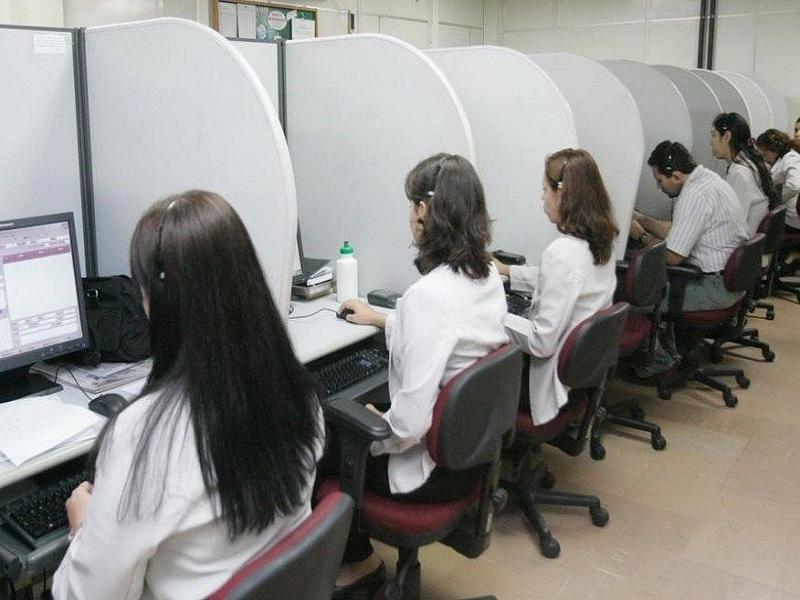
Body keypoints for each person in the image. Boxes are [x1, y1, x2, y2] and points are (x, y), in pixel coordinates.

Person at [53, 191, 323, 599]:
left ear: (159, 302)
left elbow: (87, 595)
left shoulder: (144, 436)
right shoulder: (296, 391)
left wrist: (83, 527)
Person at [333, 154, 508, 596]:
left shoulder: (428, 297)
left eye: (412, 204)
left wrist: (377, 431)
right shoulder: (485, 274)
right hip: (470, 458)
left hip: (427, 473)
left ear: (424, 211)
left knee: (325, 440)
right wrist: (382, 318)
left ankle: (359, 561)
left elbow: (409, 426)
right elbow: (453, 337)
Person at [495, 149, 618, 425]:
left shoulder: (562, 253)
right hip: (579, 375)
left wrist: (494, 315)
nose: (542, 197)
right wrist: (507, 271)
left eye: (544, 189)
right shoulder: (601, 240)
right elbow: (564, 280)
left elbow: (540, 343)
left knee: (467, 366)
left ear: (561, 193)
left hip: (543, 385)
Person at [629, 141, 748, 312]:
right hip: (729, 282)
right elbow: (679, 231)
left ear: (676, 176)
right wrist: (641, 219)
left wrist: (641, 236)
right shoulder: (708, 179)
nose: (658, 186)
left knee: (632, 301)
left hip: (712, 288)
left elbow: (672, 257)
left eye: (660, 180)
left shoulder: (694, 195)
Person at [710, 112, 775, 235]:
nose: (711, 142)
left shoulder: (739, 172)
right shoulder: (748, 162)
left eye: (714, 135)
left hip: (744, 241)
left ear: (726, 137)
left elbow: (733, 225)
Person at [757, 128, 800, 231]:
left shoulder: (791, 158)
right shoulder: (780, 160)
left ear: (775, 150)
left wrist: (773, 199)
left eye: (766, 154)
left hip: (792, 219)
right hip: (786, 215)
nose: (765, 158)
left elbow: (794, 186)